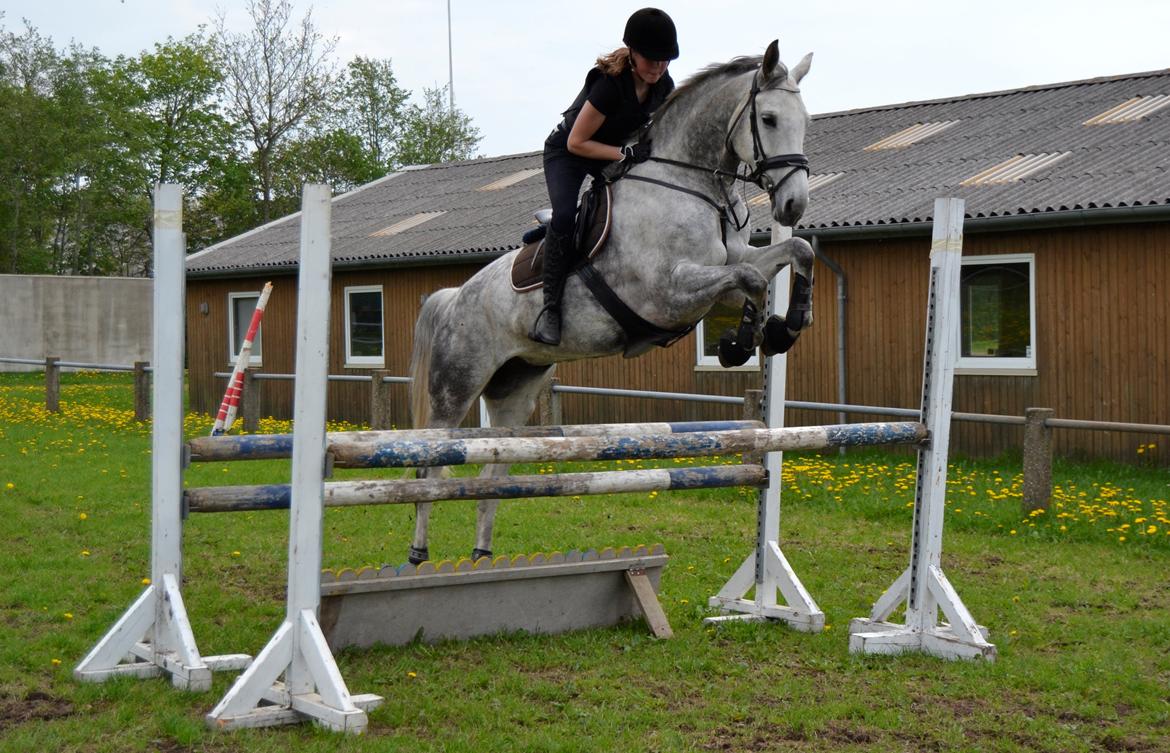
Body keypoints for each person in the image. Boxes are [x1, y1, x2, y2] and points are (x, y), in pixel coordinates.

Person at [529, 7, 679, 346]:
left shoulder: (663, 86)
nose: (658, 66)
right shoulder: (609, 85)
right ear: (634, 53)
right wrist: (624, 154)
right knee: (567, 215)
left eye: (665, 60)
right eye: (652, 59)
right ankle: (550, 310)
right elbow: (577, 142)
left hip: (609, 151)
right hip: (568, 153)